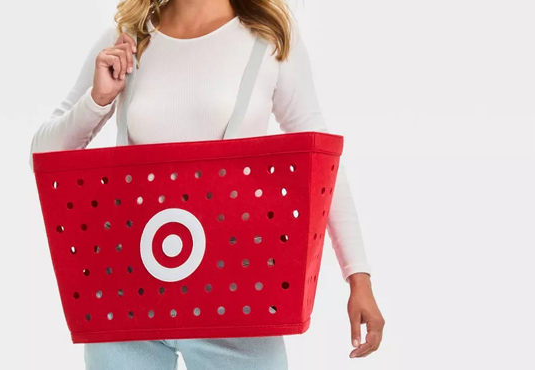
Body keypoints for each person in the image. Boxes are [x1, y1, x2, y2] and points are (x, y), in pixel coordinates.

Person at [29, 0, 384, 368]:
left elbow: (322, 165)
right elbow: (42, 155)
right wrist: (98, 99)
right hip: (129, 297)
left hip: (240, 299)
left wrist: (358, 277)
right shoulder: (128, 37)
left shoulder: (269, 39)